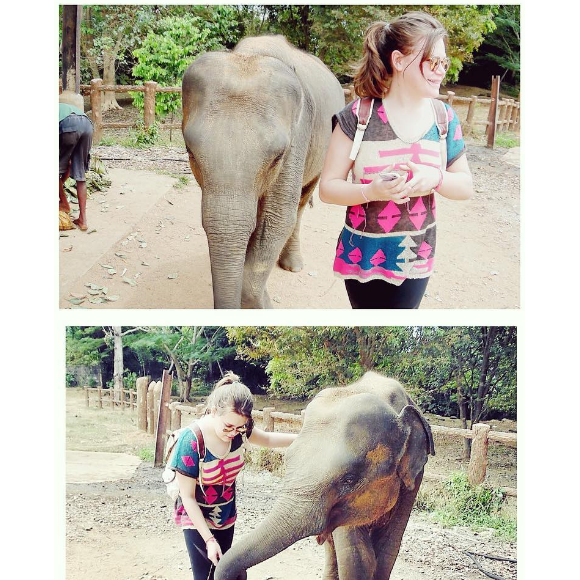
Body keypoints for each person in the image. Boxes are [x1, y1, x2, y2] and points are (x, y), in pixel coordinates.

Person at [319, 11, 475, 309]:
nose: (440, 70)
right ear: (399, 61)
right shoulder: (357, 117)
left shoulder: (444, 119)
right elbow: (328, 188)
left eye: (444, 62)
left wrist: (436, 178)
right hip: (361, 255)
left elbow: (465, 186)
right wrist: (371, 192)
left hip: (416, 254)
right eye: (432, 61)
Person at [167, 372, 297, 580]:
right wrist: (209, 540)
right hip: (196, 513)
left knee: (224, 571)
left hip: (225, 511)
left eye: (240, 427)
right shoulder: (191, 441)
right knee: (205, 576)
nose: (233, 432)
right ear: (212, 412)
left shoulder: (238, 432)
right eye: (228, 426)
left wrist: (305, 437)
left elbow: (269, 439)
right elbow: (188, 497)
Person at [59, 102, 94, 231]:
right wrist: (60, 183)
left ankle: (63, 203)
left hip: (68, 125)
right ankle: (83, 220)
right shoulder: (63, 107)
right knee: (80, 175)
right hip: (87, 125)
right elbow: (68, 164)